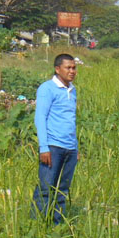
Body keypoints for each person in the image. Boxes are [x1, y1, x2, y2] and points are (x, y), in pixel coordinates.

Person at [32, 54, 78, 224]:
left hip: (69, 148)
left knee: (62, 190)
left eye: (74, 68)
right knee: (46, 188)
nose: (72, 71)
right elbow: (40, 118)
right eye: (68, 68)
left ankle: (57, 224)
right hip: (53, 146)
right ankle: (38, 224)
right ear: (57, 69)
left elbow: (71, 120)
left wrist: (76, 148)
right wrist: (44, 147)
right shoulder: (47, 89)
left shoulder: (72, 90)